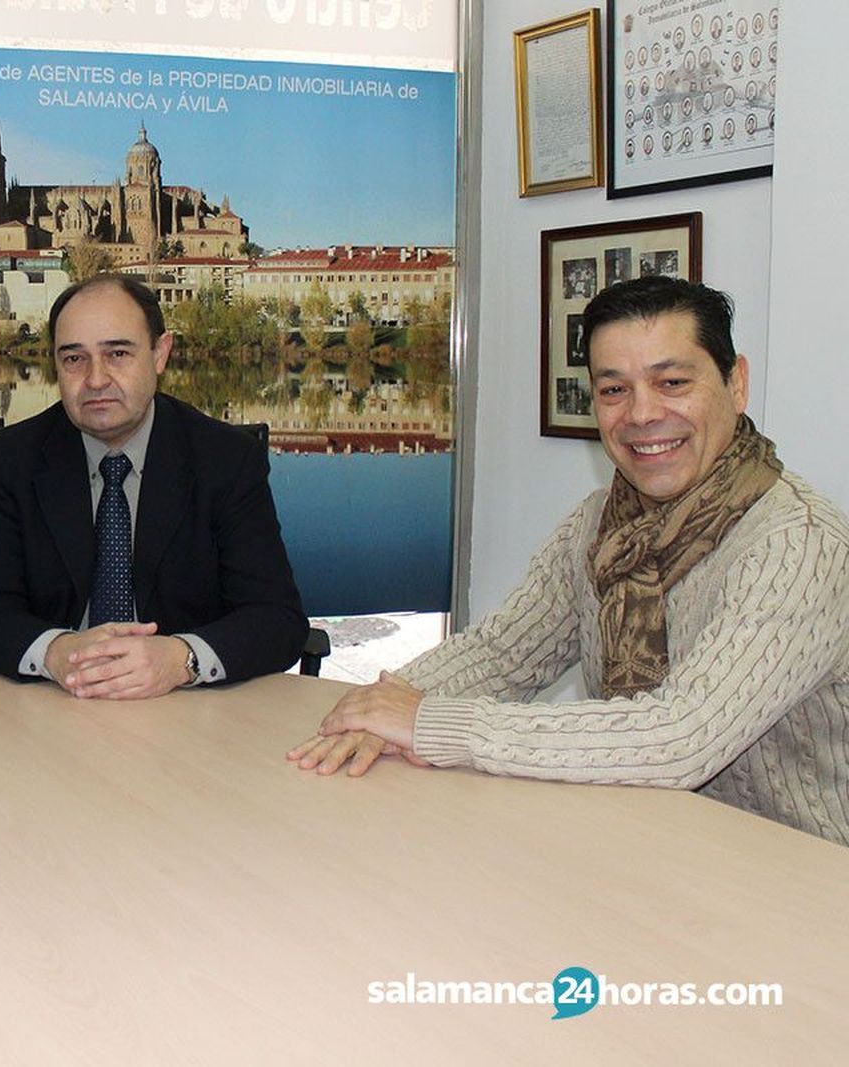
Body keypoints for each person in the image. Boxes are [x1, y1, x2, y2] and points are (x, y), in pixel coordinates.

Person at [290, 276, 849, 847]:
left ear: (736, 385)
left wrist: (428, 723)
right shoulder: (600, 521)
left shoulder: (798, 542)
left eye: (673, 382)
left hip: (802, 875)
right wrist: (375, 709)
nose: (643, 413)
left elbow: (683, 735)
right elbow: (504, 655)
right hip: (646, 841)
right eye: (614, 391)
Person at [0, 274, 307, 700]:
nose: (96, 379)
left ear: (161, 353)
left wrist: (181, 660)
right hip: (51, 704)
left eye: (117, 353)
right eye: (74, 359)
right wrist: (56, 651)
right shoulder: (7, 461)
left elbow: (277, 618)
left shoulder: (226, 459)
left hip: (190, 710)